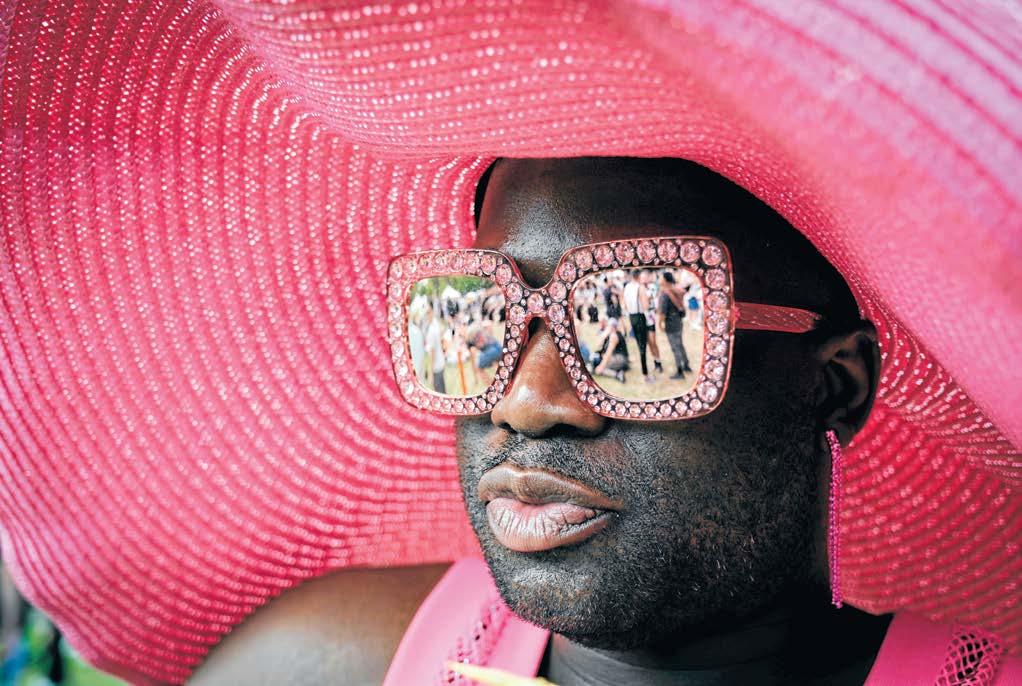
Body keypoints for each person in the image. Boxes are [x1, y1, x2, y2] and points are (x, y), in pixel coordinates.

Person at [1, 4, 1018, 686]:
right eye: (476, 319)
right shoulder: (331, 662)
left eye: (635, 319)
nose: (525, 400)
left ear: (834, 384)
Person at [657, 270, 692, 378]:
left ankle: (680, 371)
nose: (659, 279)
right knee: (680, 344)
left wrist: (659, 324)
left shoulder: (665, 294)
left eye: (661, 278)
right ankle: (686, 365)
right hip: (678, 321)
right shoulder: (676, 290)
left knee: (675, 347)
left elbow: (662, 313)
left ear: (665, 280)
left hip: (670, 323)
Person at [622, 269, 654, 382]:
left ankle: (645, 372)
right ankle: (645, 374)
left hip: (632, 317)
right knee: (642, 346)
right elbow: (645, 306)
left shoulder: (627, 287)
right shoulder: (640, 287)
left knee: (640, 344)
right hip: (640, 317)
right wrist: (648, 300)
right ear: (639, 276)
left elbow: (624, 305)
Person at [590, 317, 629, 383]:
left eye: (609, 326)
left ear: (613, 327)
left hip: (620, 360)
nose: (607, 328)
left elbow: (608, 353)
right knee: (595, 362)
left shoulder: (614, 336)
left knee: (596, 369)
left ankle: (617, 374)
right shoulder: (611, 334)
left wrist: (601, 366)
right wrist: (605, 334)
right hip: (619, 359)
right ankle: (617, 372)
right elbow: (598, 345)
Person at [424, 303, 447, 394]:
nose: (427, 315)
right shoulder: (435, 324)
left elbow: (432, 353)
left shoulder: (431, 331)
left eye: (428, 312)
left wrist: (430, 374)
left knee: (440, 394)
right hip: (440, 362)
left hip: (436, 367)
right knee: (443, 392)